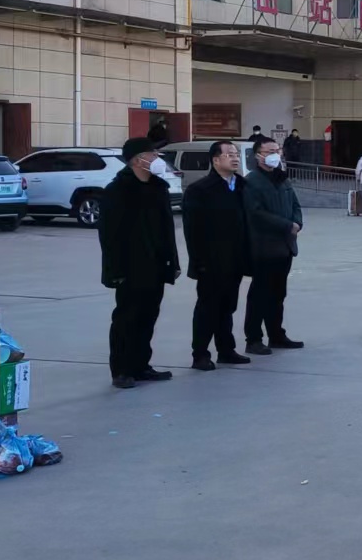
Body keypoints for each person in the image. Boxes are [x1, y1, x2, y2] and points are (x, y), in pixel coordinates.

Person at [99, 137, 180, 389]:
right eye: (152, 154)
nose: (157, 159)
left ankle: (141, 365)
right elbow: (109, 236)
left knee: (148, 316)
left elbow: (167, 229)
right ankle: (121, 370)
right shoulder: (117, 190)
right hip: (130, 267)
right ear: (137, 160)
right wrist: (114, 270)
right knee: (126, 318)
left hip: (156, 265)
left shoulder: (158, 188)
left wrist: (173, 261)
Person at [182, 140, 252, 373]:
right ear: (215, 160)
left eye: (236, 154)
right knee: (207, 308)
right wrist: (199, 261)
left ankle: (226, 350)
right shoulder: (200, 190)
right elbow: (192, 230)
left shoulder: (242, 186)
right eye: (229, 154)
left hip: (235, 259)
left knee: (227, 306)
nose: (235, 158)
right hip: (211, 261)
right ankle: (200, 354)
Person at [243, 138, 305, 356]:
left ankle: (276, 335)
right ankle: (253, 339)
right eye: (270, 151)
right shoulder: (251, 182)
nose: (275, 154)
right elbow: (256, 213)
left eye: (277, 150)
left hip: (285, 246)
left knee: (278, 294)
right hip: (264, 246)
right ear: (258, 155)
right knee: (260, 294)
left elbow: (295, 204)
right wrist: (287, 225)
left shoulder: (282, 179)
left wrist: (297, 222)